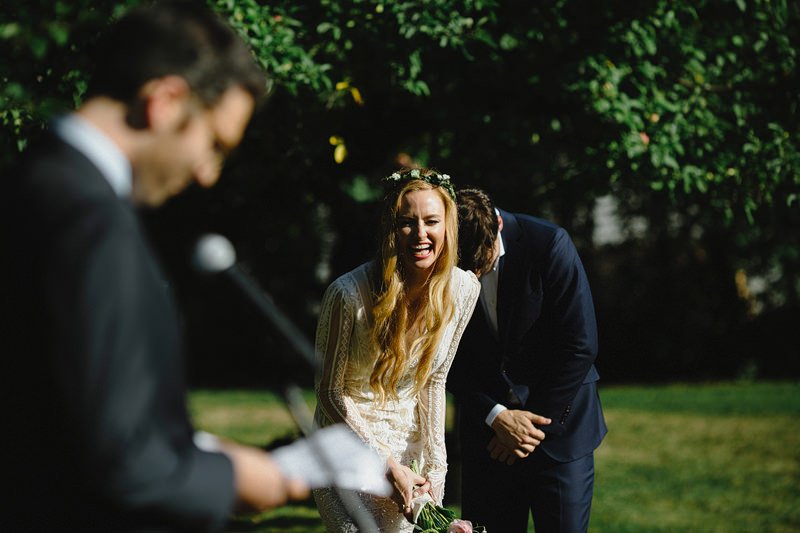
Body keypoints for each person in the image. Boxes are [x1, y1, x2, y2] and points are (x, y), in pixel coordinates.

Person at [1, 2, 310, 531]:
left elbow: (59, 412)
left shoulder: (29, 185)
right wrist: (238, 478)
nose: (208, 173)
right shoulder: (91, 223)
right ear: (166, 101)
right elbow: (119, 465)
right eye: (214, 143)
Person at [313, 169, 481, 532]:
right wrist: (385, 463)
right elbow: (329, 392)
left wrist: (436, 471)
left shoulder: (464, 290)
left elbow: (434, 381)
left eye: (432, 221)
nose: (421, 234)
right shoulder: (348, 296)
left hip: (410, 445)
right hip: (347, 444)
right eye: (407, 223)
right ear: (391, 230)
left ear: (447, 227)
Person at [447, 188, 608, 532]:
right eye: (465, 267)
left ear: (499, 226)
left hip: (560, 434)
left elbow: (579, 345)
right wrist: (497, 417)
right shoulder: (443, 259)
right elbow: (444, 359)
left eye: (482, 263)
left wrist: (527, 429)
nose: (472, 277)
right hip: (488, 440)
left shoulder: (549, 244)